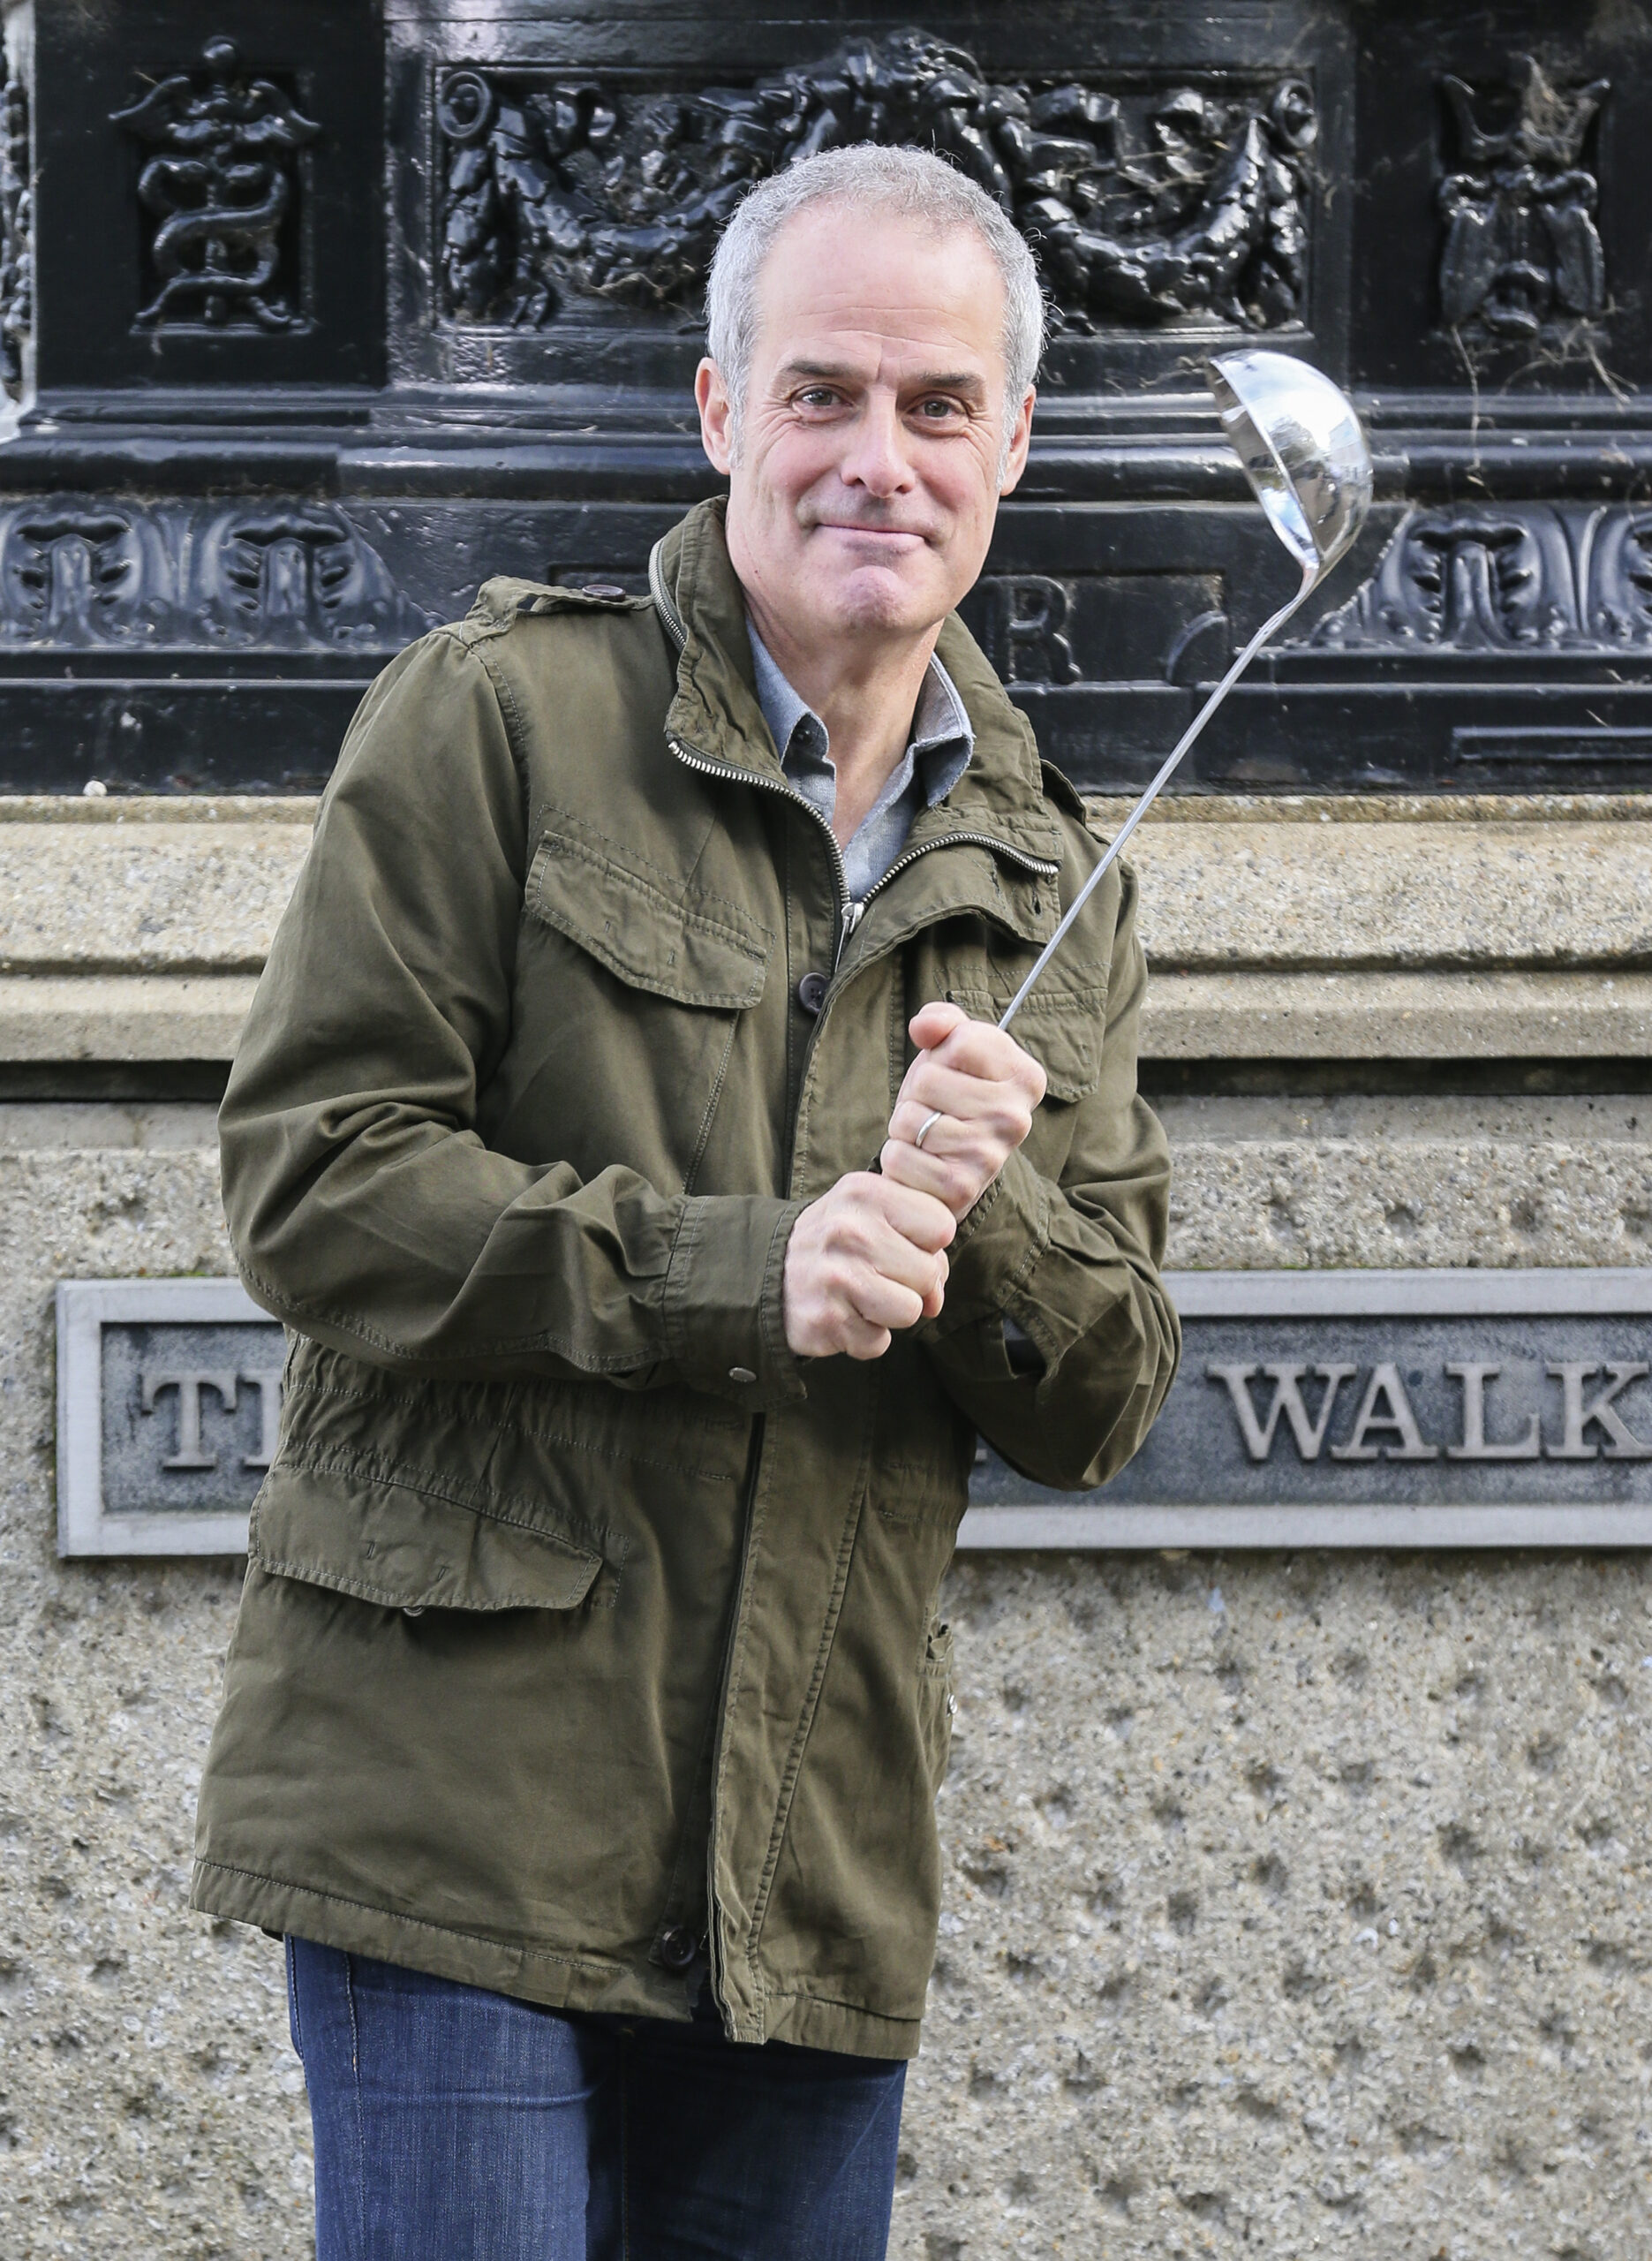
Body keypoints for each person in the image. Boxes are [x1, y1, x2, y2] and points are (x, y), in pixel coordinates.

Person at [192, 141, 1180, 2260]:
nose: (876, 460)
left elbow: (1103, 1397)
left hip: (808, 1838)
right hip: (453, 1793)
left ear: (1013, 435)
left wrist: (984, 1209)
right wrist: (740, 1266)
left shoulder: (1051, 873)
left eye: (935, 406)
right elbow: (314, 1175)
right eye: (820, 393)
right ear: (721, 411)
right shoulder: (503, 718)